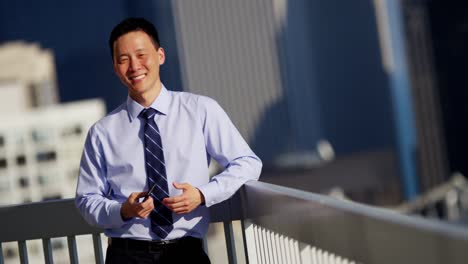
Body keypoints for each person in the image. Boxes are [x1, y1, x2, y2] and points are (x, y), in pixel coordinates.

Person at [75, 17, 262, 263]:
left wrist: (203, 195)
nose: (134, 66)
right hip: (127, 255)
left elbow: (248, 163)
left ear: (160, 55)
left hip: (185, 253)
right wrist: (123, 210)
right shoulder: (102, 132)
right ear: (114, 67)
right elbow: (86, 200)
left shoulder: (200, 110)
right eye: (123, 59)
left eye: (141, 55)